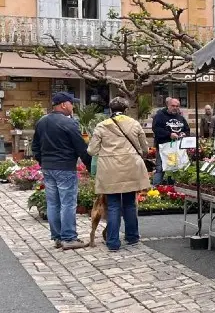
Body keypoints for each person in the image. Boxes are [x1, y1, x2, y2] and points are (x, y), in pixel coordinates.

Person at [88, 98, 150, 251]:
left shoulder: (102, 126)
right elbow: (145, 148)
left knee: (114, 205)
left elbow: (91, 150)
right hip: (131, 167)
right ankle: (132, 237)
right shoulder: (134, 124)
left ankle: (113, 242)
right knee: (129, 203)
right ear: (126, 109)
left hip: (109, 170)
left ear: (110, 109)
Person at [32, 92, 92, 250]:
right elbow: (81, 147)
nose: (73, 106)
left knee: (52, 203)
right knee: (68, 203)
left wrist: (43, 161)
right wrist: (90, 165)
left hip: (48, 167)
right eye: (72, 103)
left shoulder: (42, 121)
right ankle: (69, 237)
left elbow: (35, 147)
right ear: (64, 104)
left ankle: (57, 237)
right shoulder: (68, 123)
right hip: (65, 167)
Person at [151, 97, 190, 184]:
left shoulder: (180, 117)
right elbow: (156, 129)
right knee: (160, 169)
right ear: (168, 105)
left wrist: (183, 134)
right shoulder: (160, 116)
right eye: (173, 105)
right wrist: (169, 134)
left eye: (177, 106)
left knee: (173, 169)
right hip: (163, 147)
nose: (175, 108)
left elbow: (187, 129)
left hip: (176, 149)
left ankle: (171, 189)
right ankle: (155, 190)